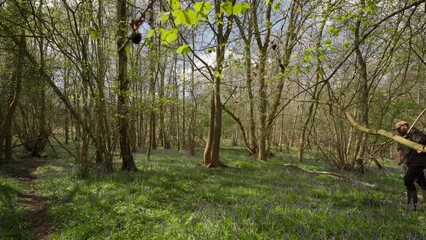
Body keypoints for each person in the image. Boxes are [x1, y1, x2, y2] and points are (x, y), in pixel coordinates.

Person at [394, 120, 426, 211]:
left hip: (419, 161)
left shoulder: (414, 132)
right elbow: (401, 146)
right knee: (423, 183)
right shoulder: (404, 136)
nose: (400, 129)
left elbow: (422, 140)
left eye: (402, 127)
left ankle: (412, 206)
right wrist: (400, 149)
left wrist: (411, 134)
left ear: (406, 126)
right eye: (399, 128)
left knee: (408, 180)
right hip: (413, 162)